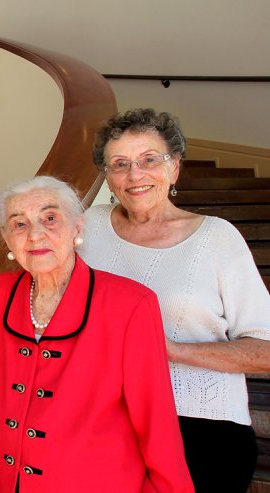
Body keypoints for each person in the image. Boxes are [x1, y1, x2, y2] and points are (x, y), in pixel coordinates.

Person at [0, 176, 193, 493]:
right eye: (19, 224)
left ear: (77, 227)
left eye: (50, 218)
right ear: (6, 238)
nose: (34, 235)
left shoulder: (131, 305)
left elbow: (156, 422)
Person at [81, 108, 270, 492]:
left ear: (175, 167)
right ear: (108, 176)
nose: (135, 175)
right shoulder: (89, 225)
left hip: (202, 428)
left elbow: (265, 351)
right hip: (106, 420)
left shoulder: (217, 238)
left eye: (150, 159)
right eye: (120, 164)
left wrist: (166, 350)